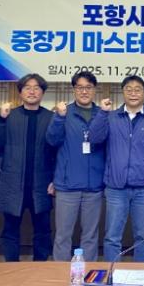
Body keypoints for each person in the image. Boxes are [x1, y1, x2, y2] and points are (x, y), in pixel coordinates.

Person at [89, 75, 144, 262]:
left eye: (137, 89)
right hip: (116, 188)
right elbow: (94, 139)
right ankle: (112, 275)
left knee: (143, 236)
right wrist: (102, 113)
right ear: (123, 92)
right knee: (112, 237)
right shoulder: (111, 117)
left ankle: (141, 275)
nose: (133, 93)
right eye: (129, 89)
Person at [0, 73, 55, 262]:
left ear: (42, 92)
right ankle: (12, 267)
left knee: (43, 231)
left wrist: (55, 179)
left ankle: (40, 268)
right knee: (10, 230)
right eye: (27, 88)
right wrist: (1, 119)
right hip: (13, 184)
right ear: (20, 92)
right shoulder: (10, 116)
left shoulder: (50, 117)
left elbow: (56, 152)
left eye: (36, 88)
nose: (32, 91)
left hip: (41, 184)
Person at [45, 71, 105, 261]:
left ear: (94, 90)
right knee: (63, 235)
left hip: (94, 185)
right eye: (80, 87)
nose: (84, 91)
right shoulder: (64, 112)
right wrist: (59, 118)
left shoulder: (102, 114)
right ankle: (59, 274)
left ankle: (88, 273)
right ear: (74, 90)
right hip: (67, 185)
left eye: (88, 87)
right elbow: (52, 141)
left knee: (90, 236)